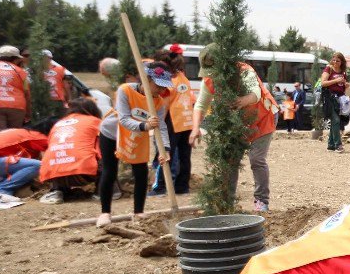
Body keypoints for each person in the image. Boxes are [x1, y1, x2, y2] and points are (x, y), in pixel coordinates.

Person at [190, 43, 278, 211]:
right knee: (230, 161)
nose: (212, 76)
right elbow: (200, 105)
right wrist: (195, 128)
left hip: (263, 117)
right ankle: (226, 201)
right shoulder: (208, 81)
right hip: (237, 123)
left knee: (256, 159)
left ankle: (261, 201)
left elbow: (255, 94)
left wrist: (240, 101)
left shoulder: (245, 71)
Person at [96, 62, 172, 228]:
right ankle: (105, 213)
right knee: (110, 171)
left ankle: (138, 212)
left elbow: (162, 127)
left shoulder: (159, 103)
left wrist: (164, 149)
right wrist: (145, 126)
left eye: (163, 87)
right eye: (158, 85)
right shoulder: (125, 90)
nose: (161, 90)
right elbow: (123, 119)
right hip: (111, 133)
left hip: (137, 136)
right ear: (146, 80)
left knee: (141, 172)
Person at [38, 98, 103, 204]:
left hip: (53, 174)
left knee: (61, 153)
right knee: (107, 150)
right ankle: (102, 191)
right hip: (83, 173)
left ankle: (57, 190)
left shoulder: (58, 124)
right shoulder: (95, 121)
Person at [151, 47, 195, 196]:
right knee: (184, 156)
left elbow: (165, 104)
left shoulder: (167, 81)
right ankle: (182, 187)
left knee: (165, 153)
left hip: (173, 120)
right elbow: (192, 99)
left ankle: (160, 187)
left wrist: (157, 123)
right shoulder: (183, 77)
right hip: (187, 120)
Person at [0, 126, 48, 202]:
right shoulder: (38, 136)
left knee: (22, 169)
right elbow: (49, 159)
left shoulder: (26, 133)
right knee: (40, 165)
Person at [0, 45, 31, 133]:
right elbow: (27, 94)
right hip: (17, 107)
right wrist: (28, 113)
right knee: (14, 136)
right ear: (15, 58)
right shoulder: (21, 72)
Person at [320, 52, 350, 152]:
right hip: (330, 98)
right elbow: (323, 83)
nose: (335, 62)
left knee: (335, 121)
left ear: (342, 62)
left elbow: (342, 86)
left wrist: (345, 85)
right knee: (336, 120)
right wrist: (336, 81)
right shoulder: (329, 69)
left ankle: (331, 145)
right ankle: (338, 145)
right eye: (334, 60)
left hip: (340, 99)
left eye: (338, 60)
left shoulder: (343, 72)